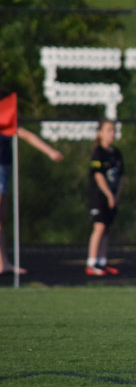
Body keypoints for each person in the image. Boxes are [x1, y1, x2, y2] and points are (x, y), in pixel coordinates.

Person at [0, 91, 64, 276]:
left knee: (1, 219)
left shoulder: (5, 121)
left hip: (3, 169)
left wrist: (50, 152)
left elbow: (26, 135)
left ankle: (3, 262)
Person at [86, 119, 125, 277]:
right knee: (99, 227)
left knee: (107, 228)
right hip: (100, 197)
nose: (112, 134)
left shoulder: (116, 153)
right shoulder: (98, 152)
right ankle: (92, 262)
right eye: (108, 130)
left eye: (113, 130)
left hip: (112, 197)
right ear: (100, 133)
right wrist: (109, 194)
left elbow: (122, 177)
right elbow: (98, 175)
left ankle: (102, 262)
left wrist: (116, 196)